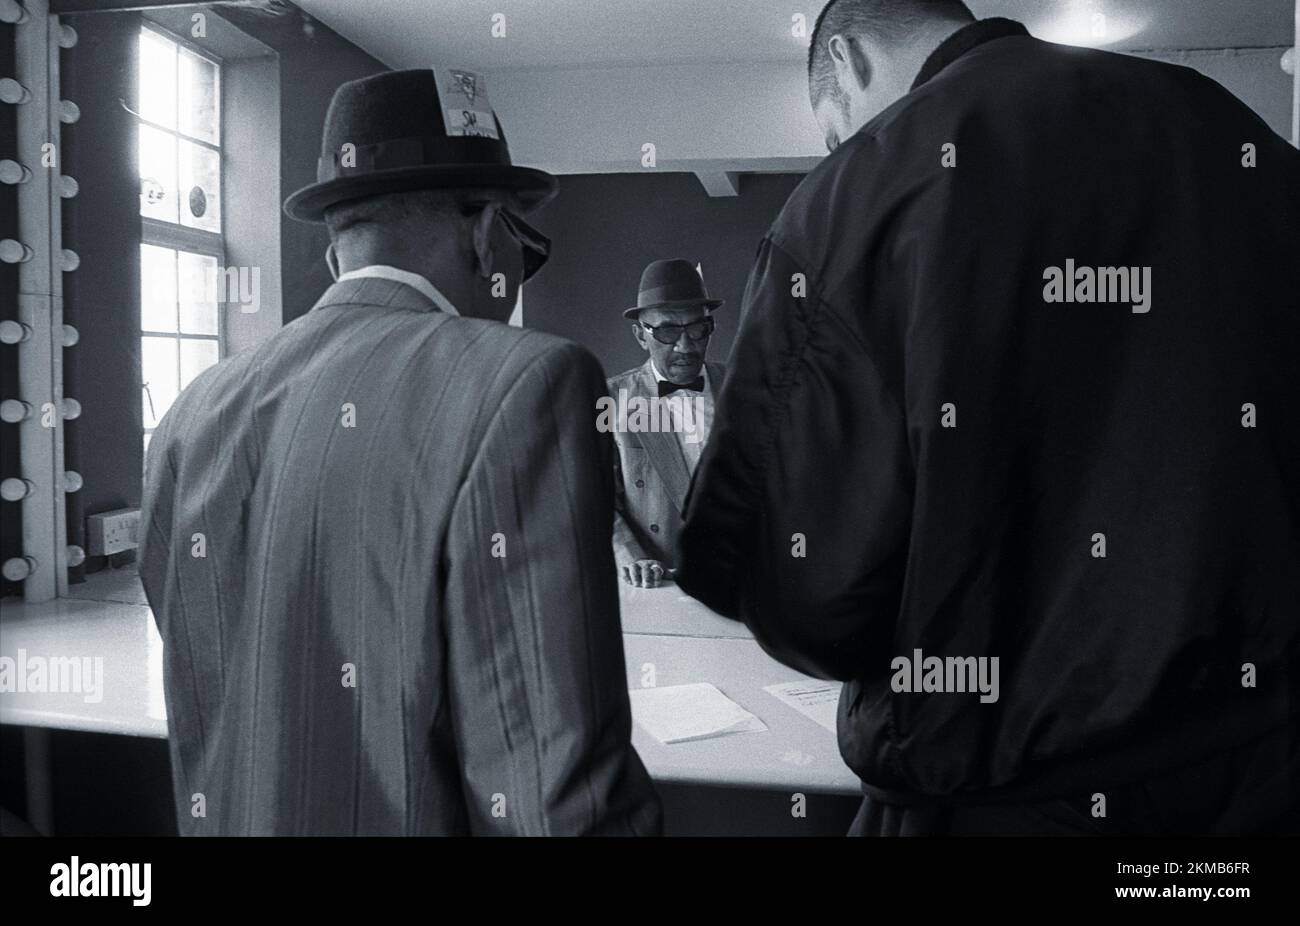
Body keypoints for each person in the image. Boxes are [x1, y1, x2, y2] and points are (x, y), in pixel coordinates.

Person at [677, 0, 1300, 835]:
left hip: (998, 798)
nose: (840, 148)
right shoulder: (1227, 130)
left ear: (851, 63)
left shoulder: (856, 197)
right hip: (1262, 779)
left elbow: (802, 595)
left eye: (834, 131)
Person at [139, 68, 660, 836]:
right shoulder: (528, 383)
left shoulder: (190, 415)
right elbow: (554, 797)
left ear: (334, 255)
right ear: (485, 233)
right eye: (521, 243)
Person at [606, 259, 726, 588]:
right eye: (667, 331)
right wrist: (628, 553)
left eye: (698, 329)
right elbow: (595, 497)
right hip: (659, 586)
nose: (686, 347)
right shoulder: (612, 398)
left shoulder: (742, 386)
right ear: (641, 336)